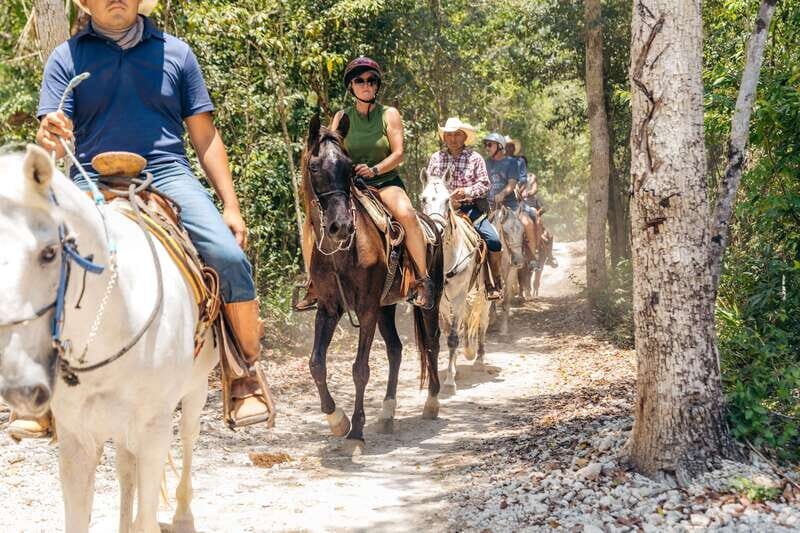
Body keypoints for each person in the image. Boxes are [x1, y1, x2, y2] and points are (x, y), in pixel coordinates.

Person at [14, 0, 271, 439]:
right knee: (39, 258)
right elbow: (54, 144)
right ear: (87, 4)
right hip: (90, 176)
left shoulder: (177, 52)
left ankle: (241, 372)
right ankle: (39, 384)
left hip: (167, 171)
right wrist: (48, 137)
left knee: (227, 256)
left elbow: (204, 135)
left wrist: (230, 203)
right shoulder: (66, 56)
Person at [295, 57, 434, 310]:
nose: (366, 85)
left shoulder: (388, 114)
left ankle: (420, 281)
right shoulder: (341, 116)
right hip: (351, 185)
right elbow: (332, 151)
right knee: (311, 222)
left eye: (371, 81)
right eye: (359, 81)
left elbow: (399, 153)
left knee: (407, 215)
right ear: (352, 86)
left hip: (385, 183)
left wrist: (374, 169)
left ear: (377, 85)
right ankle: (313, 284)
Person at [427, 118, 503, 300]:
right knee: (420, 239)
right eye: (449, 135)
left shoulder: (474, 158)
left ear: (464, 137)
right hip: (440, 211)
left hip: (469, 210)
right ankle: (418, 284)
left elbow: (485, 184)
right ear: (444, 137)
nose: (453, 139)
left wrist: (466, 191)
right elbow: (430, 184)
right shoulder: (436, 158)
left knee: (493, 241)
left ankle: (493, 283)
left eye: (457, 134)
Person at [485, 133, 539, 266]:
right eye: (485, 145)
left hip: (510, 204)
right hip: (489, 206)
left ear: (499, 146)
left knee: (527, 223)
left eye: (489, 144)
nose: (486, 147)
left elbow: (512, 183)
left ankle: (532, 257)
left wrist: (503, 194)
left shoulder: (512, 162)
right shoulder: (486, 163)